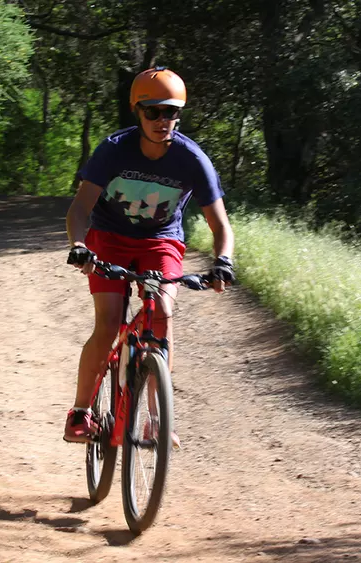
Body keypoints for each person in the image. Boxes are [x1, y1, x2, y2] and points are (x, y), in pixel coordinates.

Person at [63, 66, 235, 443]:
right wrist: (80, 246)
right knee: (108, 324)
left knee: (163, 314)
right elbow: (80, 209)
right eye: (152, 111)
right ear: (137, 111)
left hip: (161, 240)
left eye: (171, 112)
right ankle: (80, 413)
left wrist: (223, 261)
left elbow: (221, 225)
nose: (162, 120)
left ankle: (157, 420)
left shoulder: (192, 160)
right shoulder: (113, 150)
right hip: (109, 237)